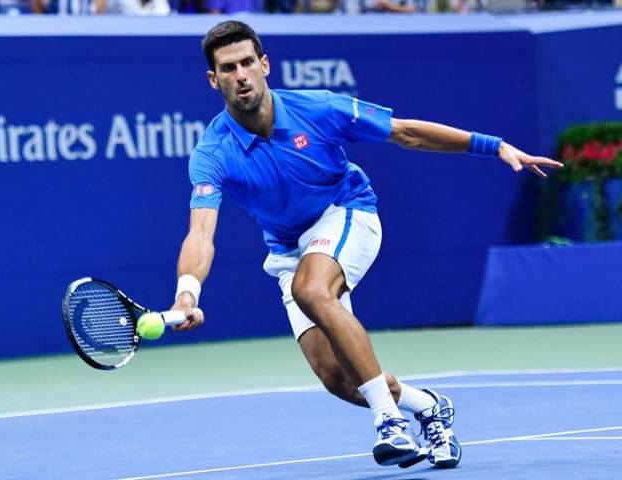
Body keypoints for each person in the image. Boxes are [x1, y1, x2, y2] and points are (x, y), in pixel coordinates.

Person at [170, 20, 562, 469]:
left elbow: (405, 132)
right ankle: (428, 406)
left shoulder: (318, 108)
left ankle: (388, 421)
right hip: (288, 249)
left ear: (264, 65)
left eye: (246, 63)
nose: (240, 75)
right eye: (227, 68)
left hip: (348, 212)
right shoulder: (212, 152)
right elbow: (201, 232)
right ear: (212, 79)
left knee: (311, 289)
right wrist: (188, 293)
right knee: (337, 378)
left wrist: (494, 147)